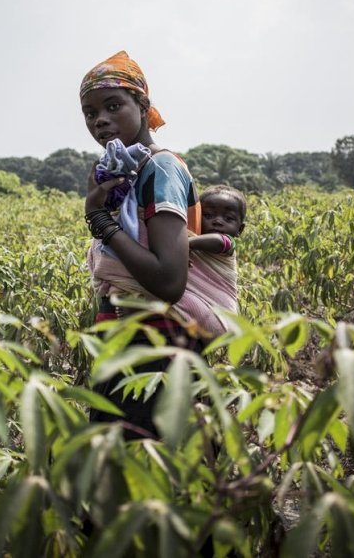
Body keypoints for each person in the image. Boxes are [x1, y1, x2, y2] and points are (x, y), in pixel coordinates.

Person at [81, 50, 209, 439]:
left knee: (147, 477)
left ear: (143, 105)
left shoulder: (161, 168)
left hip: (157, 348)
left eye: (113, 105)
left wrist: (99, 220)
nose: (100, 120)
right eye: (90, 112)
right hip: (130, 340)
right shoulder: (122, 173)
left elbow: (169, 281)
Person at [186, 184, 247, 329]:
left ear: (240, 230)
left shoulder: (228, 244)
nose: (218, 221)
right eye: (208, 215)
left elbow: (219, 242)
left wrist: (185, 244)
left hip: (221, 315)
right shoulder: (193, 238)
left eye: (228, 218)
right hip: (199, 316)